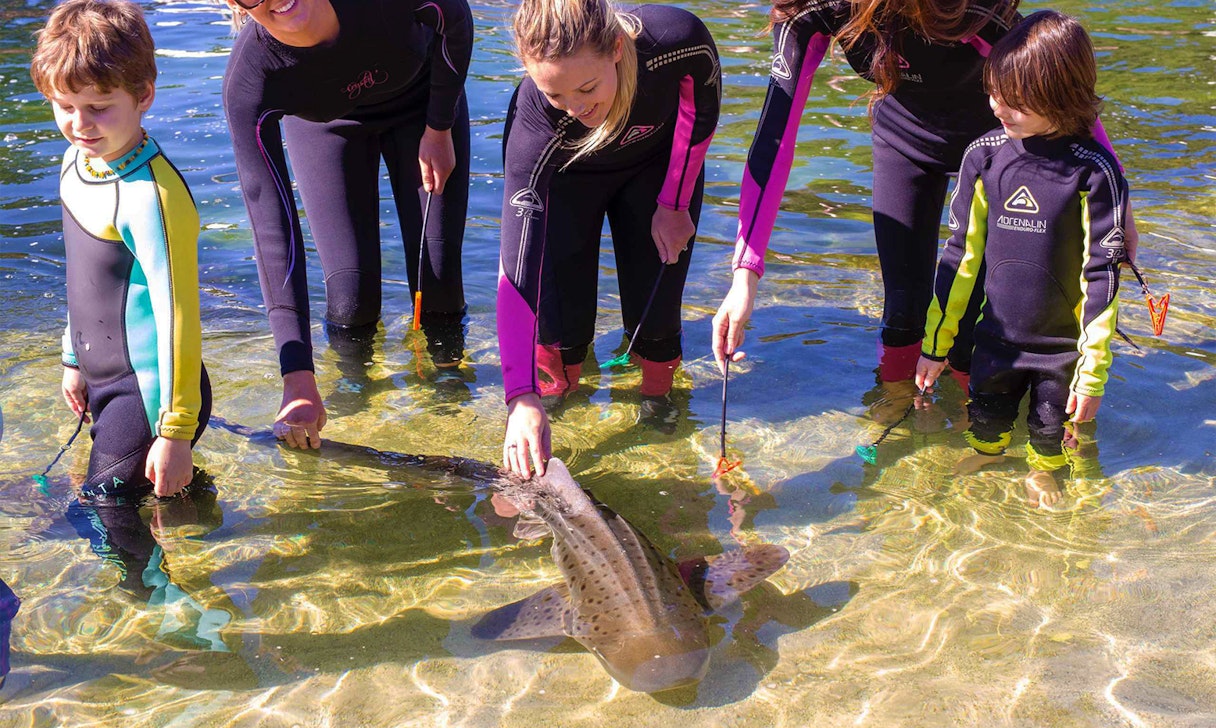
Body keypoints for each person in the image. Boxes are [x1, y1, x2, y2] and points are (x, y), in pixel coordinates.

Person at [711, 0, 1135, 392]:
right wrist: (744, 278)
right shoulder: (816, 8)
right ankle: (897, 418)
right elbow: (774, 138)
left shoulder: (972, 8)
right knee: (902, 310)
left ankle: (978, 433)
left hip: (997, 143)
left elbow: (1062, 98)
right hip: (903, 139)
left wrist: (1120, 207)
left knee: (981, 318)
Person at [221, 0, 474, 449]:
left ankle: (451, 409)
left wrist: (440, 126)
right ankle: (357, 406)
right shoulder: (253, 75)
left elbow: (454, 16)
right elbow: (271, 225)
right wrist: (296, 375)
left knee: (437, 281)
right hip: (324, 129)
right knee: (351, 299)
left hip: (422, 105)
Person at [498, 0, 721, 478]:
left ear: (616, 49)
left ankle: (664, 444)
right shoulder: (535, 121)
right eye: (557, 95)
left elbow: (701, 112)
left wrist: (676, 202)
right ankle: (553, 420)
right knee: (561, 341)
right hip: (566, 183)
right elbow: (516, 265)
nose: (577, 110)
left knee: (656, 326)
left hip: (655, 169)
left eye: (586, 87)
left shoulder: (674, 42)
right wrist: (520, 396)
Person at [914, 10, 1128, 508]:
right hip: (997, 339)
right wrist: (935, 345)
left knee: (1050, 436)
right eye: (994, 94)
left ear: (1063, 93)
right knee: (986, 422)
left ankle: (1043, 472)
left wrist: (1091, 375)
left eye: (1016, 102)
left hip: (1060, 349)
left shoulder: (1094, 172)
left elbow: (1102, 278)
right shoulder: (984, 158)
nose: (998, 109)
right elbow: (960, 258)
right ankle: (988, 455)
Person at [30, 0, 211, 501]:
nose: (79, 124)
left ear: (143, 95)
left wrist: (174, 432)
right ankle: (195, 513)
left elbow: (179, 317)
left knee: (103, 515)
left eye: (99, 106)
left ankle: (168, 577)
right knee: (136, 506)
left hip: (148, 396)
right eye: (65, 106)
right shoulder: (76, 163)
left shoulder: (153, 197)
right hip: (100, 379)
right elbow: (82, 275)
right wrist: (72, 357)